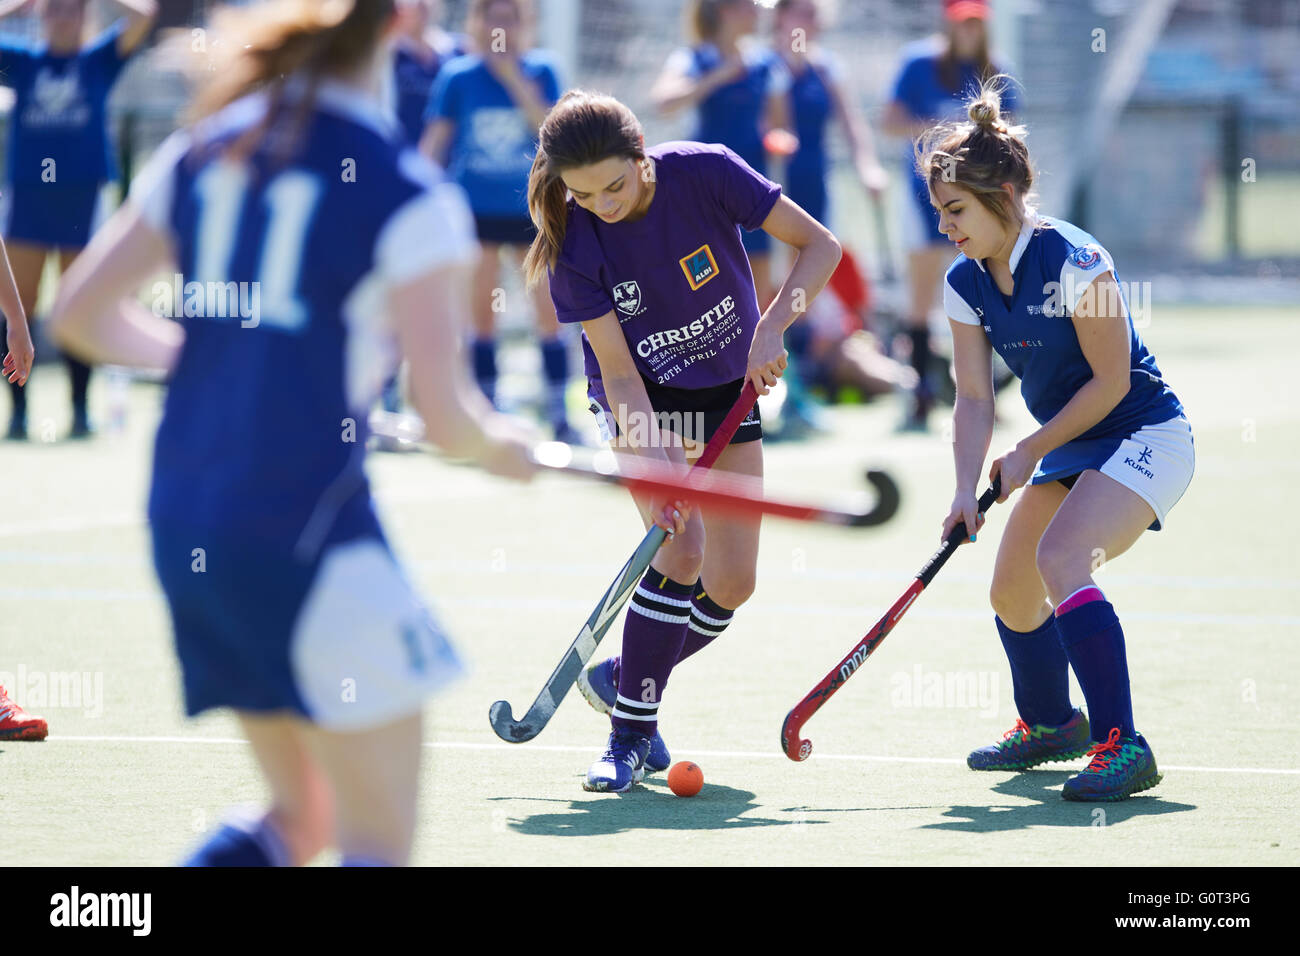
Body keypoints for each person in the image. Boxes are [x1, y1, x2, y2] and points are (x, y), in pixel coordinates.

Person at [49, 0, 536, 865]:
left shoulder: (203, 146)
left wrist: (220, 360)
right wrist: (505, 448)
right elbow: (448, 419)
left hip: (189, 525)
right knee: (373, 843)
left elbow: (81, 313)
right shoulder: (409, 190)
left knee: (298, 822)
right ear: (402, 21)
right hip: (310, 533)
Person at [523, 90, 841, 793]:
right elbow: (618, 373)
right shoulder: (574, 244)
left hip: (729, 391)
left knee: (732, 582)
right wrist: (653, 446)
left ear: (643, 158)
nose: (603, 204)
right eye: (583, 193)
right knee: (683, 552)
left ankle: (622, 676)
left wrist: (774, 325)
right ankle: (629, 740)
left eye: (615, 184)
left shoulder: (707, 172)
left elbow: (820, 245)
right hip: (643, 399)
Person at [924, 81, 1193, 801]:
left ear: (1006, 193)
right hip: (1074, 446)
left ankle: (1122, 743)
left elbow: (1109, 382)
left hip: (1145, 432)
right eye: (941, 214)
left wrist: (1032, 448)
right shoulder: (963, 281)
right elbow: (974, 397)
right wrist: (962, 490)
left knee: (1062, 558)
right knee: (1012, 591)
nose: (948, 228)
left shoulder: (1079, 260)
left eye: (957, 211)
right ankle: (1050, 725)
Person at [420, 0, 576, 441]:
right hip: (475, 209)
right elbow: (435, 143)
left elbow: (553, 134)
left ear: (524, 24)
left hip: (531, 208)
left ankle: (558, 413)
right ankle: (487, 407)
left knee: (549, 308)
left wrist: (513, 79)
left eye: (510, 18)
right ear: (477, 22)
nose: (499, 26)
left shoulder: (542, 70)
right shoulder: (459, 76)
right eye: (491, 16)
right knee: (482, 311)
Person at [0, 0, 156, 440]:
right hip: (29, 195)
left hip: (81, 198)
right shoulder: (24, 60)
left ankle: (81, 411)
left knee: (78, 303)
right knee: (18, 308)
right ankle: (18, 412)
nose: (63, 18)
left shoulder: (96, 61)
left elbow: (145, 16)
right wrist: (18, 7)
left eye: (72, 9)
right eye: (55, 10)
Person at [882, 0, 1017, 430]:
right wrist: (943, 133)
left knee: (991, 288)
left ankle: (984, 388)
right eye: (963, 22)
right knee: (921, 294)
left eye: (977, 22)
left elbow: (1010, 135)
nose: (970, 30)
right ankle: (920, 391)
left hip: (980, 199)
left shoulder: (996, 69)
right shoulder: (919, 63)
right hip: (927, 195)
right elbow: (889, 120)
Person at [651, 0, 793, 310]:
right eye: (751, 5)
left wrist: (780, 139)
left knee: (757, 291)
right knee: (702, 286)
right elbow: (663, 102)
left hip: (751, 187)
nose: (759, 11)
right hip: (700, 191)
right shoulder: (693, 59)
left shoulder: (766, 63)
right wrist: (719, 75)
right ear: (725, 10)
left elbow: (780, 124)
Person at [391, 0, 466, 146]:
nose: (421, 4)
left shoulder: (458, 51)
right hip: (399, 155)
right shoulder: (389, 55)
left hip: (447, 159)